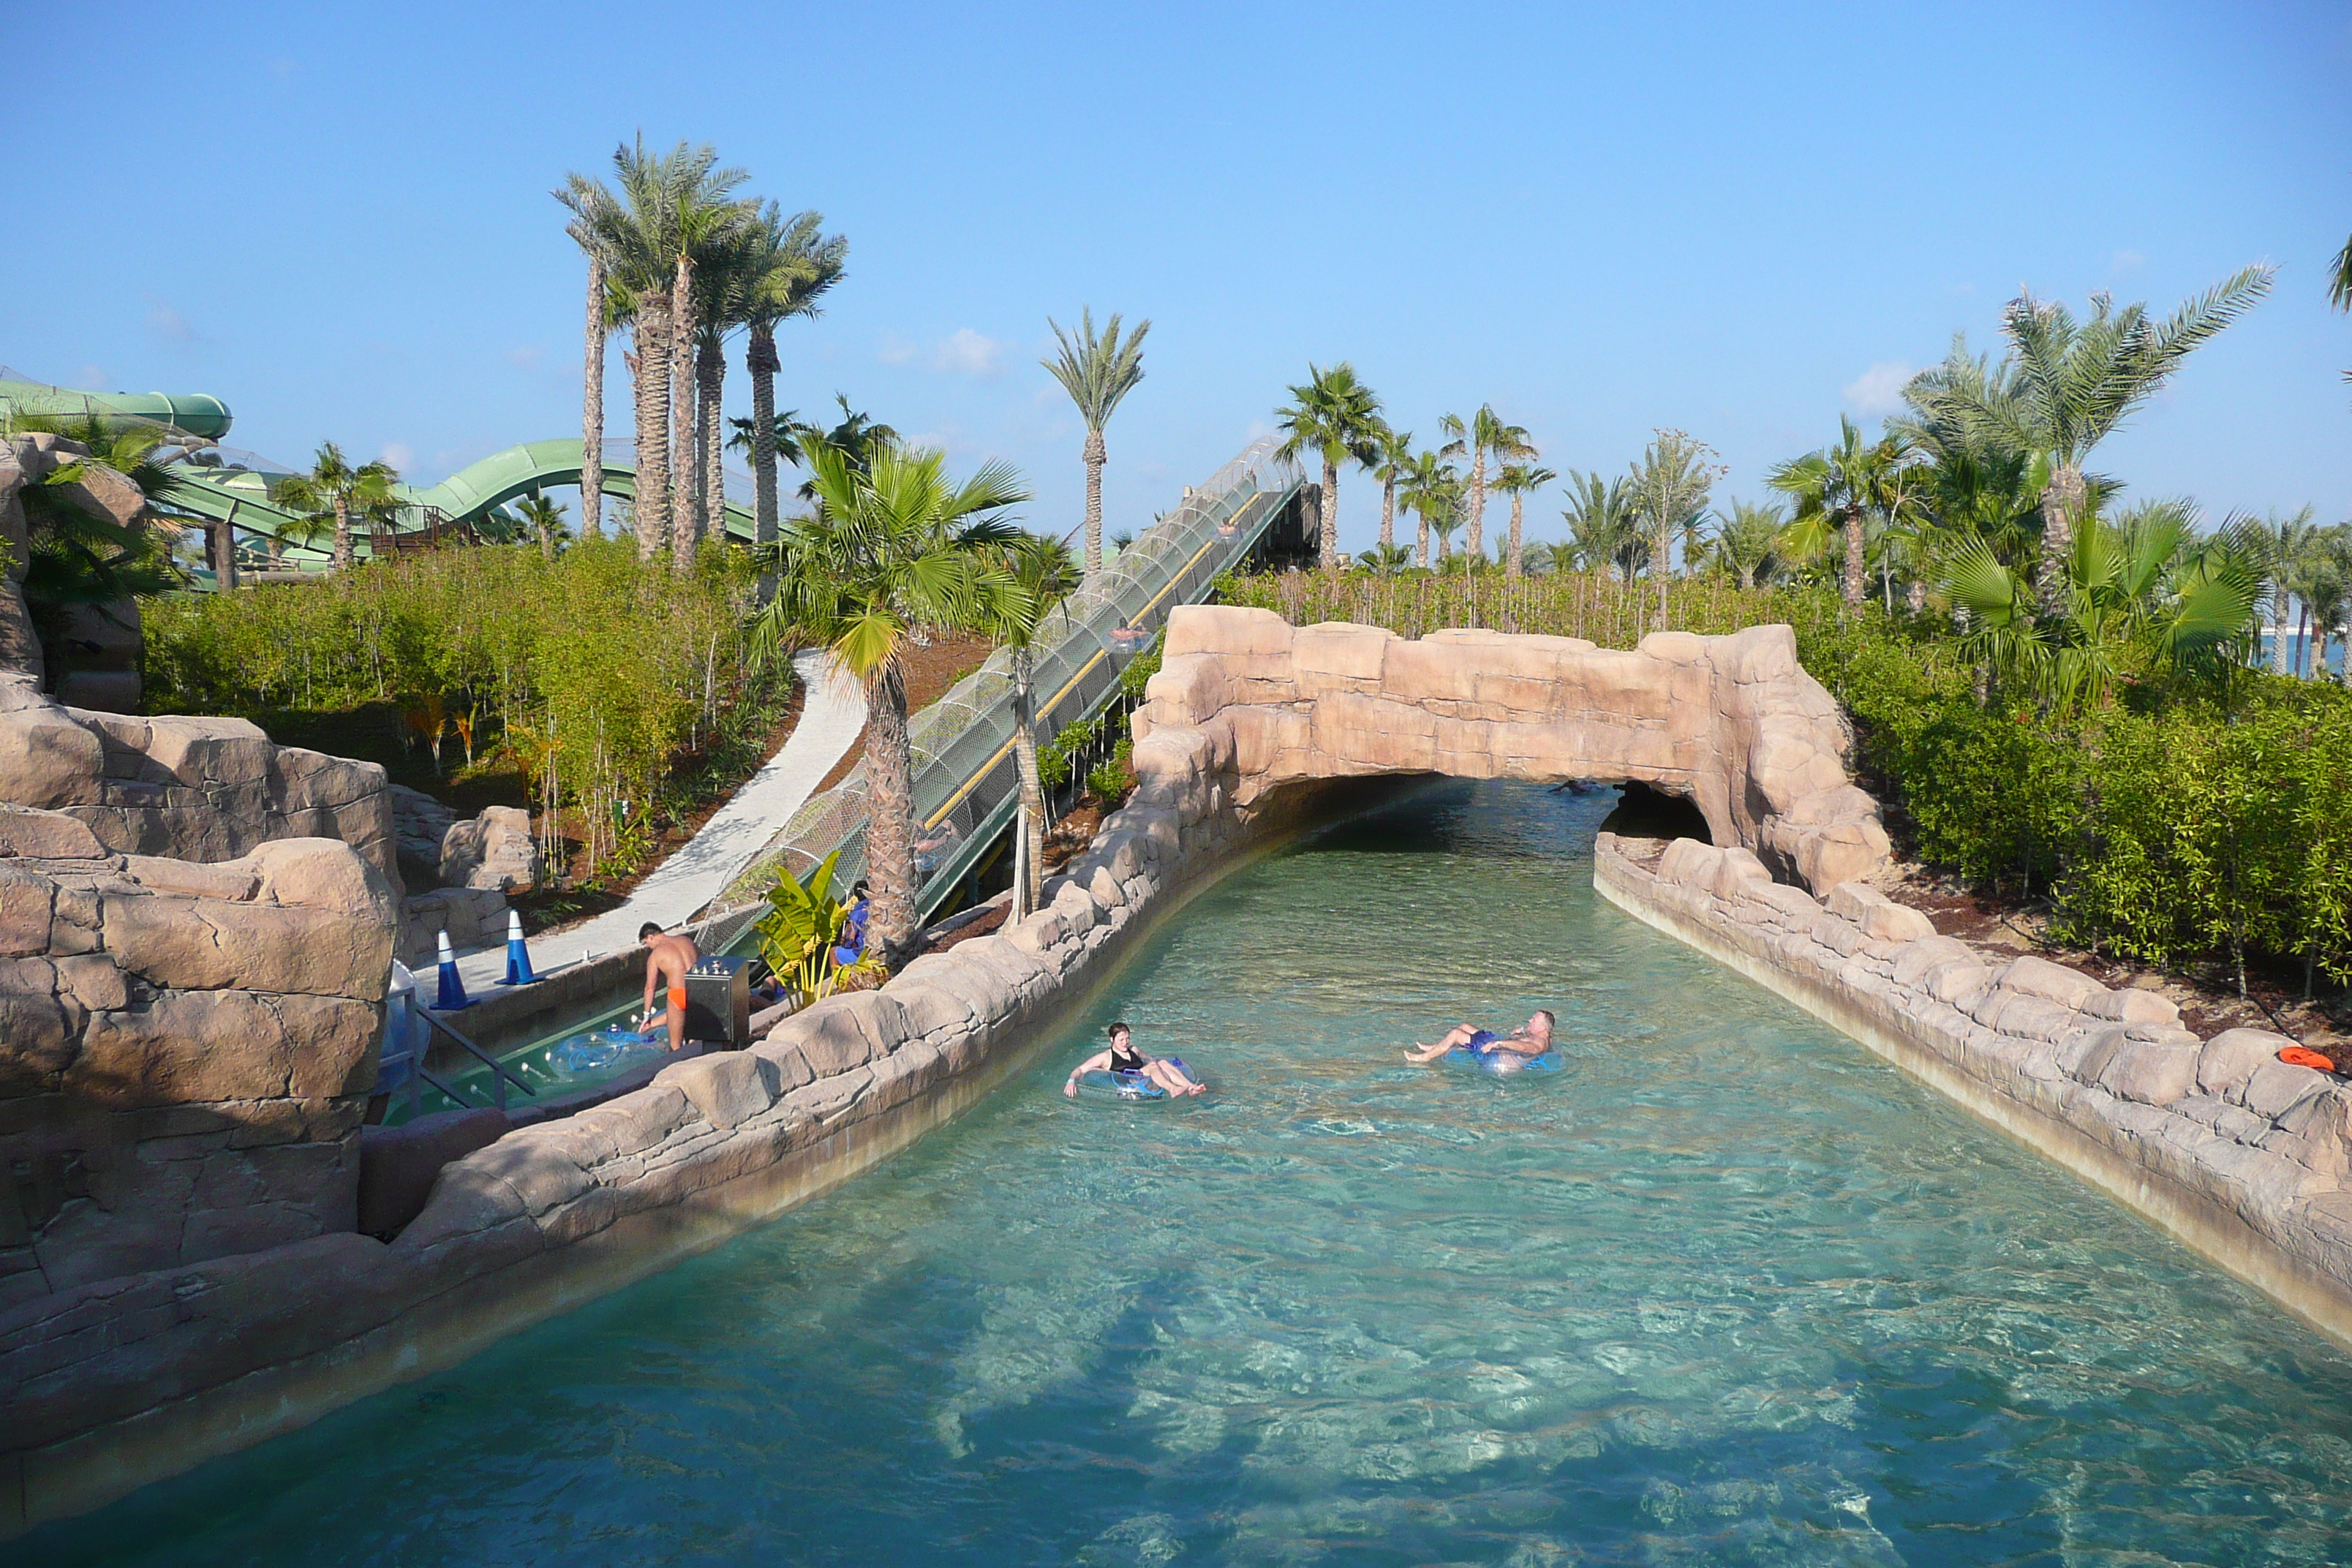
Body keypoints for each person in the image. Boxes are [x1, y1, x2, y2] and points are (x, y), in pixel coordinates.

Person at [1064, 1020, 1204, 1098]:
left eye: (1127, 1039)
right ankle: (1172, 1089)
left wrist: (1156, 1064)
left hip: (1145, 1077)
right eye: (1121, 1039)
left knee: (1161, 1063)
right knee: (1154, 1067)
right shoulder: (1106, 1057)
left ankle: (1192, 1088)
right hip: (1129, 1081)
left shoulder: (1134, 1050)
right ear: (1112, 1039)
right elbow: (1080, 1069)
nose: (1125, 1042)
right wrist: (1071, 1081)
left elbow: (1150, 1059)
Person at [1405, 1010, 1555, 1065]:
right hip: (1498, 1048)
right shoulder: (1546, 1036)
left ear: (1542, 1028)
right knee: (1465, 1026)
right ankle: (1434, 1048)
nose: (1530, 1021)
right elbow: (1531, 1037)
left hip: (1495, 1058)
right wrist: (1523, 1030)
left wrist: (1497, 1043)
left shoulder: (1539, 1043)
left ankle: (1424, 1058)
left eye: (1533, 1020)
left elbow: (1526, 1047)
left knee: (1456, 1034)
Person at [638, 921, 699, 1052]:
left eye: (646, 943)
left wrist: (646, 1016)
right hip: (699, 991)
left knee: (675, 1047)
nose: (649, 947)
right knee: (695, 1043)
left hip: (678, 994)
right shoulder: (687, 941)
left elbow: (650, 989)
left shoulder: (655, 955)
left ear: (650, 937)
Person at [832, 880, 870, 968]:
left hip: (862, 953)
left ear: (856, 895)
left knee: (833, 951)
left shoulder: (856, 914)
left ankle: (839, 979)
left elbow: (850, 939)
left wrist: (845, 943)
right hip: (878, 946)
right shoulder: (877, 905)